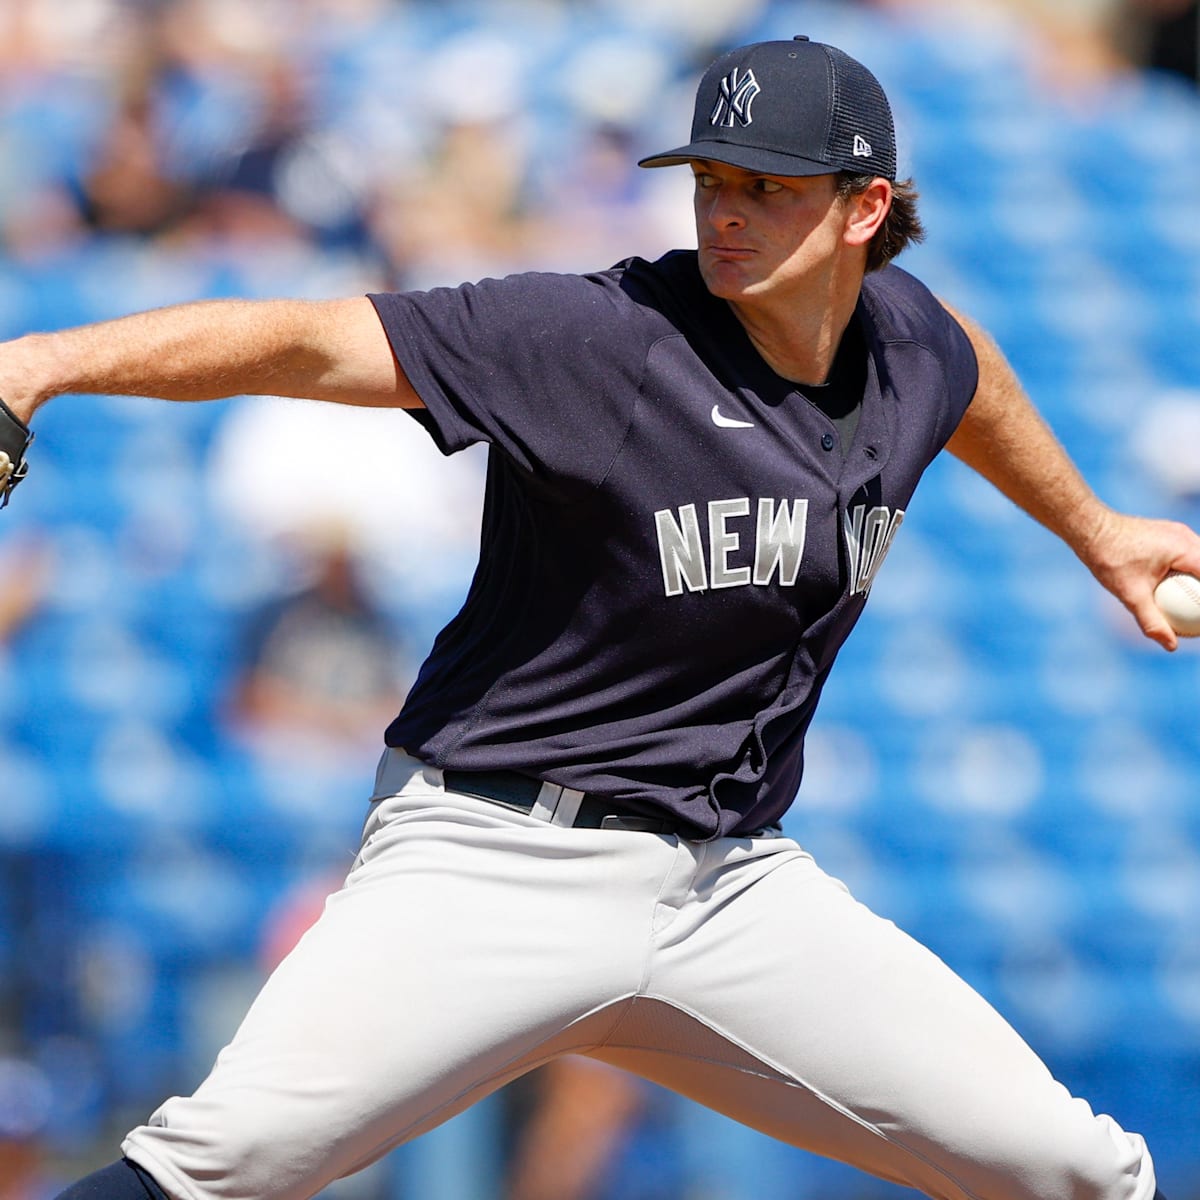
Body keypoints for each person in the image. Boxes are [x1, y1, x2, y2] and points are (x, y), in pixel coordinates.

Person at [0, 34, 1191, 1200]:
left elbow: (966, 369)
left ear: (864, 208)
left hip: (731, 888)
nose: (725, 214)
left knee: (1078, 1171)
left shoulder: (908, 343)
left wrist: (1096, 529)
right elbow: (311, 341)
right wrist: (39, 362)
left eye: (768, 189)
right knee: (221, 1167)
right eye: (712, 180)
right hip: (497, 854)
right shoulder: (598, 341)